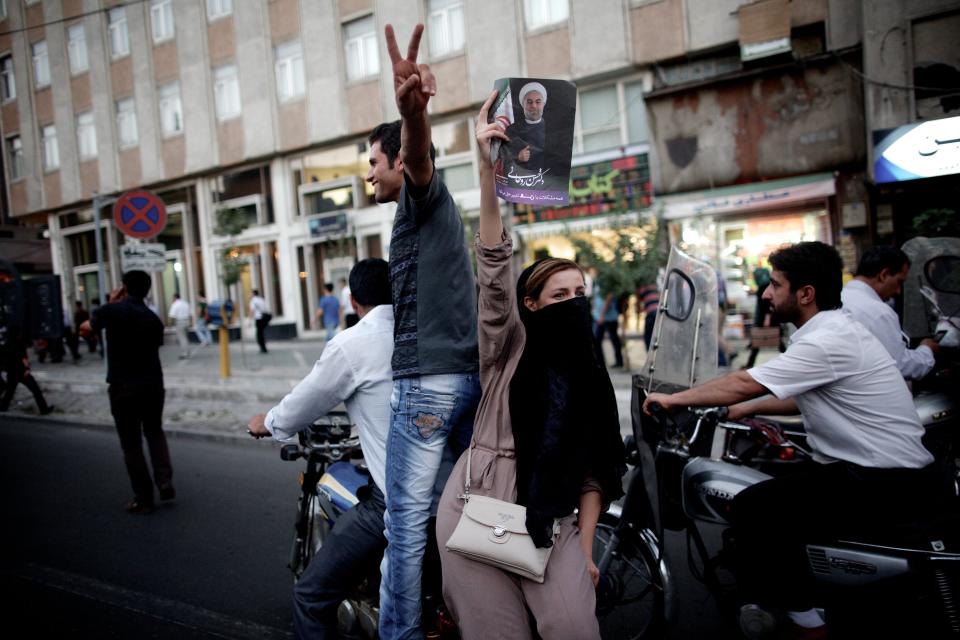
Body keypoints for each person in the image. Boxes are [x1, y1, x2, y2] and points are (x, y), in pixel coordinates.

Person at [642, 241, 951, 634]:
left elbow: (743, 382)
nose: (767, 293)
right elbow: (800, 395)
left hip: (880, 477)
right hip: (888, 469)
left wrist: (674, 399)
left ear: (806, 294)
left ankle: (805, 621)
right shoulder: (833, 330)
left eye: (775, 284)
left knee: (754, 507)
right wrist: (744, 411)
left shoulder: (827, 340)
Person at [435, 91, 626, 640]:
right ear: (532, 305)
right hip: (480, 505)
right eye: (559, 294)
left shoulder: (592, 373)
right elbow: (494, 262)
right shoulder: (507, 345)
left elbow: (596, 471)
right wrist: (486, 168)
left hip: (554, 521)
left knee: (573, 628)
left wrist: (586, 549)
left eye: (580, 292)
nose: (573, 302)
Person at [368, 24, 482, 640]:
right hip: (465, 380)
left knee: (405, 526)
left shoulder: (423, 197)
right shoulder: (431, 215)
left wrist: (412, 116)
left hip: (430, 386)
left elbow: (416, 160)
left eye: (373, 163)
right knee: (472, 514)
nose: (371, 176)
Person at [247, 259, 393, 640]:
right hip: (452, 494)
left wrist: (270, 422)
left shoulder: (353, 342)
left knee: (310, 596)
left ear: (354, 299)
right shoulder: (427, 333)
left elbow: (307, 399)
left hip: (394, 501)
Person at [80, 270, 173, 515]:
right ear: (148, 289)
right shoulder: (154, 319)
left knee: (131, 443)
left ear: (123, 287)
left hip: (124, 387)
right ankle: (164, 480)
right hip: (153, 385)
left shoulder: (111, 311)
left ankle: (143, 497)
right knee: (154, 431)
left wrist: (110, 304)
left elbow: (85, 330)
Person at [841, 245, 939, 380]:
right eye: (899, 282)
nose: (898, 291)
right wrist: (926, 350)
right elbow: (898, 366)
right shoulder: (877, 311)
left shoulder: (842, 297)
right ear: (884, 275)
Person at [0, 319, 54, 415]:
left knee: (10, 391)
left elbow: (4, 360)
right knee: (36, 390)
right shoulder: (20, 343)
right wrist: (27, 369)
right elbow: (24, 358)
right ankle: (43, 409)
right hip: (22, 372)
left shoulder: (6, 344)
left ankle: (3, 406)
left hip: (12, 373)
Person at [592, 280, 624, 368]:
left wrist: (602, 315)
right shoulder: (597, 281)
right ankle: (600, 362)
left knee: (613, 339)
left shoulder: (607, 281)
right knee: (597, 341)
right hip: (599, 316)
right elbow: (596, 297)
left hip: (609, 317)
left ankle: (619, 361)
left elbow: (609, 297)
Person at [636, 278, 659, 350]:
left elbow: (639, 307)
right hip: (658, 313)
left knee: (648, 337)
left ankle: (650, 354)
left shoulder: (642, 289)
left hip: (652, 314)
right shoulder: (656, 287)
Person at [168, 293, 192, 359]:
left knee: (182, 338)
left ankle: (185, 353)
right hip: (187, 321)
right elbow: (190, 314)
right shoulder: (185, 303)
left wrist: (170, 324)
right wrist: (190, 322)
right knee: (186, 337)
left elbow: (172, 315)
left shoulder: (175, 304)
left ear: (175, 297)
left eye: (172, 298)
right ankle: (187, 351)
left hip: (180, 321)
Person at [249, 289, 270, 354]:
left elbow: (252, 311)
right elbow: (265, 308)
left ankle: (262, 347)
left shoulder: (253, 301)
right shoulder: (261, 299)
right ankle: (264, 347)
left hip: (258, 318)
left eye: (251, 294)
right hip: (263, 318)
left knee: (259, 334)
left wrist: (250, 320)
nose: (250, 295)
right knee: (262, 333)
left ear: (253, 294)